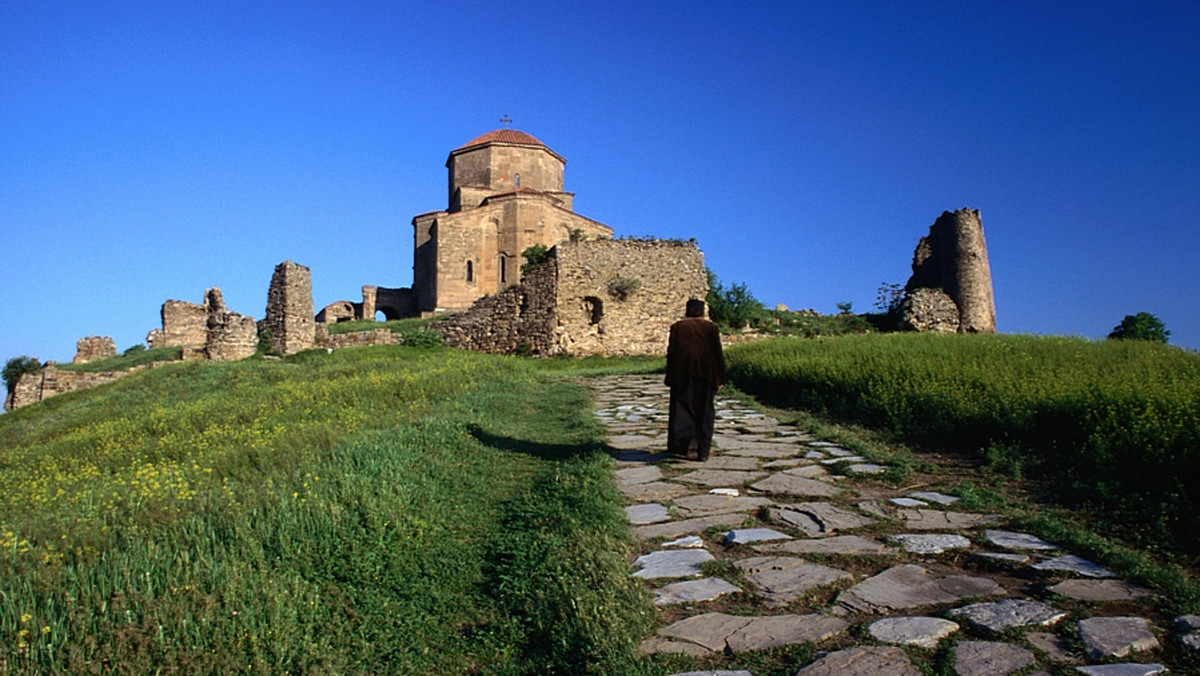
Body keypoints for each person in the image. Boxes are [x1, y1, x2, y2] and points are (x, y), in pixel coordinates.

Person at [665, 298, 724, 461]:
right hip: (707, 375)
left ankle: (682, 448)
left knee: (682, 411)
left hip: (682, 374)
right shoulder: (711, 328)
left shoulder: (677, 327)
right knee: (705, 412)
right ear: (703, 312)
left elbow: (672, 353)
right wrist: (720, 377)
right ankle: (703, 451)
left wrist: (669, 376)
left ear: (687, 310)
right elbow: (717, 353)